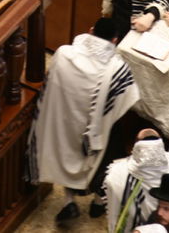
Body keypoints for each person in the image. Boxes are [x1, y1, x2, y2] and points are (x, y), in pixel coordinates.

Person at [32, 17, 138, 222]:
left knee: (68, 154)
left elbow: (50, 83)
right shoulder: (118, 69)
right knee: (106, 159)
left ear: (90, 30)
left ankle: (68, 202)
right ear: (115, 40)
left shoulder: (64, 53)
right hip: (96, 127)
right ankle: (98, 203)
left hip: (65, 121)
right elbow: (128, 99)